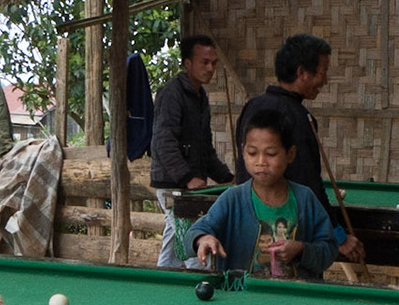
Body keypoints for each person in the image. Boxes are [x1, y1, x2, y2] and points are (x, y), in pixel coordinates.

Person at [235, 34, 366, 265]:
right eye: (322, 72)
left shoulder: (251, 107)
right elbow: (309, 185)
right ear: (301, 73)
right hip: (291, 236)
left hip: (248, 231)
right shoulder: (298, 118)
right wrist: (338, 236)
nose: (324, 81)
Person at [188, 109, 340, 280]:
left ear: (290, 154)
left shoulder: (305, 198)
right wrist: (203, 239)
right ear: (243, 152)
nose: (261, 162)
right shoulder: (232, 199)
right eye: (252, 153)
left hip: (296, 300)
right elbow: (195, 232)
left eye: (271, 154)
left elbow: (329, 249)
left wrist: (301, 249)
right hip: (242, 300)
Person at [149, 34, 235, 268]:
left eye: (214, 63)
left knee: (174, 232)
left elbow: (204, 147)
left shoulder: (200, 96)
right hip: (172, 184)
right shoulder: (172, 93)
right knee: (190, 233)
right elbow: (163, 142)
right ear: (188, 64)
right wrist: (187, 178)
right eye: (204, 62)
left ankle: (163, 278)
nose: (210, 68)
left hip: (187, 185)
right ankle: (199, 278)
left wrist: (226, 178)